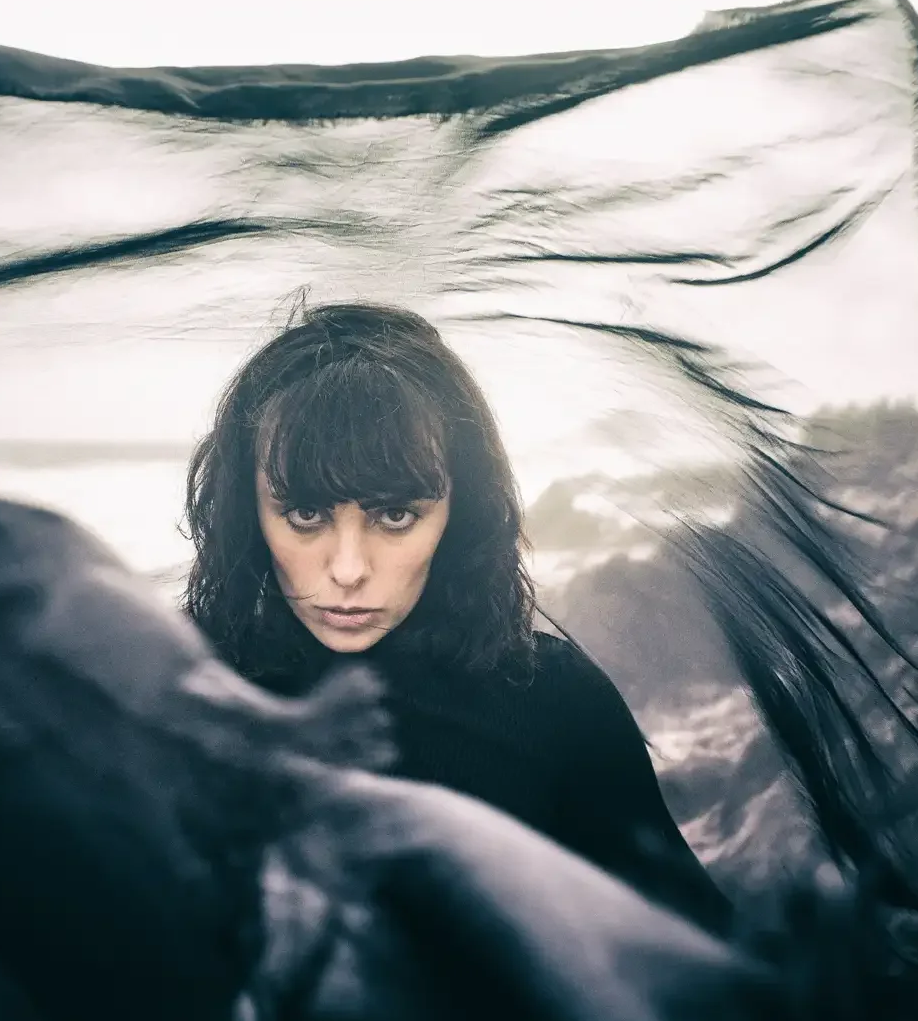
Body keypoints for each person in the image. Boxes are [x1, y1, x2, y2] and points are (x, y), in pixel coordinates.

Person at [181, 301, 733, 933]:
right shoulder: (170, 692)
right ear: (247, 510)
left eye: (395, 516)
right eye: (306, 515)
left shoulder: (555, 704)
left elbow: (703, 972)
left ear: (460, 510)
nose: (349, 569)